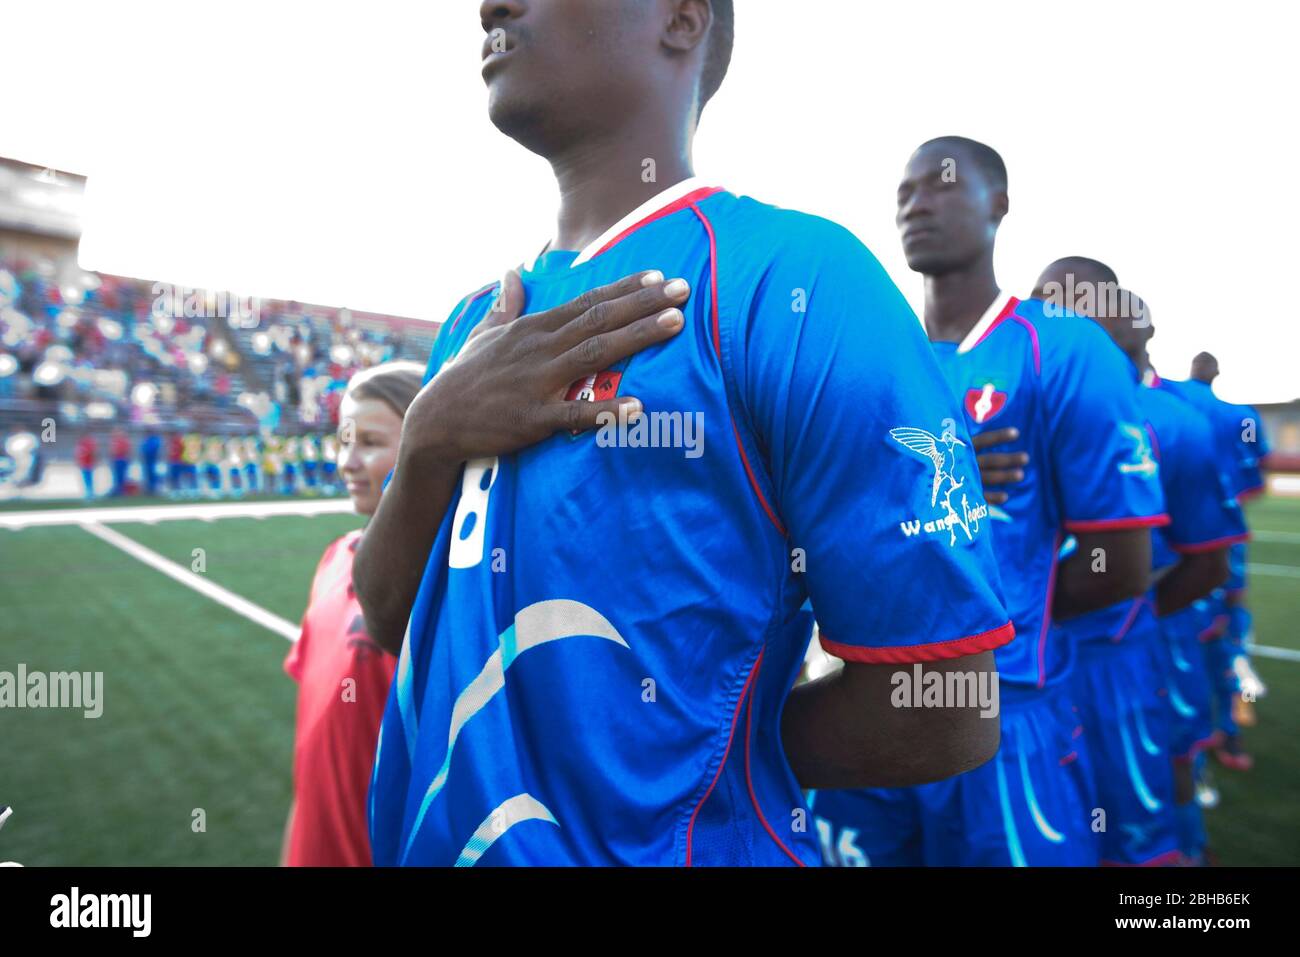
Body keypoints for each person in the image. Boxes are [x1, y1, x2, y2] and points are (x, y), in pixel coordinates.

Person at [357, 1, 1012, 867]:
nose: (491, 4)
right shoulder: (473, 323)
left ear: (680, 18)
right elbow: (397, 619)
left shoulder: (797, 281)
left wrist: (713, 760)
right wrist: (430, 437)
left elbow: (949, 705)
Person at [813, 140, 1167, 867]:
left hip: (1001, 716)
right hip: (859, 706)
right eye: (903, 191)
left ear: (998, 203)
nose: (915, 203)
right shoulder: (871, 355)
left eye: (939, 186)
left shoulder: (1061, 350)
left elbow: (1121, 566)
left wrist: (979, 625)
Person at [1038, 274, 1246, 865]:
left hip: (1118, 664)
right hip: (1021, 674)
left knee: (1141, 824)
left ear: (1134, 325)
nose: (1058, 320)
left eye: (1080, 307)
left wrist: (1133, 617)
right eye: (1047, 305)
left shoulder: (1175, 423)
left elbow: (1209, 564)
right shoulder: (1004, 401)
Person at [282, 361, 425, 867]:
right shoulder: (334, 557)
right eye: (344, 440)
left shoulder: (442, 584)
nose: (347, 460)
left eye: (368, 441)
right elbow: (312, 759)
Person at [1157, 354, 1267, 770]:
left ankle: (1194, 756)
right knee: (1226, 627)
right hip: (1221, 534)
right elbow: (1256, 472)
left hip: (1173, 538)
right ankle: (1232, 729)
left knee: (1184, 637)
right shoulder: (1236, 414)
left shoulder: (1171, 400)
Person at [75, 433, 98, 499]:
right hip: (83, 464)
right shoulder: (80, 445)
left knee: (89, 479)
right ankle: (88, 493)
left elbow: (93, 453)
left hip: (88, 464)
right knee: (86, 480)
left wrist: (94, 461)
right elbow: (78, 455)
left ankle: (90, 493)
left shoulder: (88, 444)